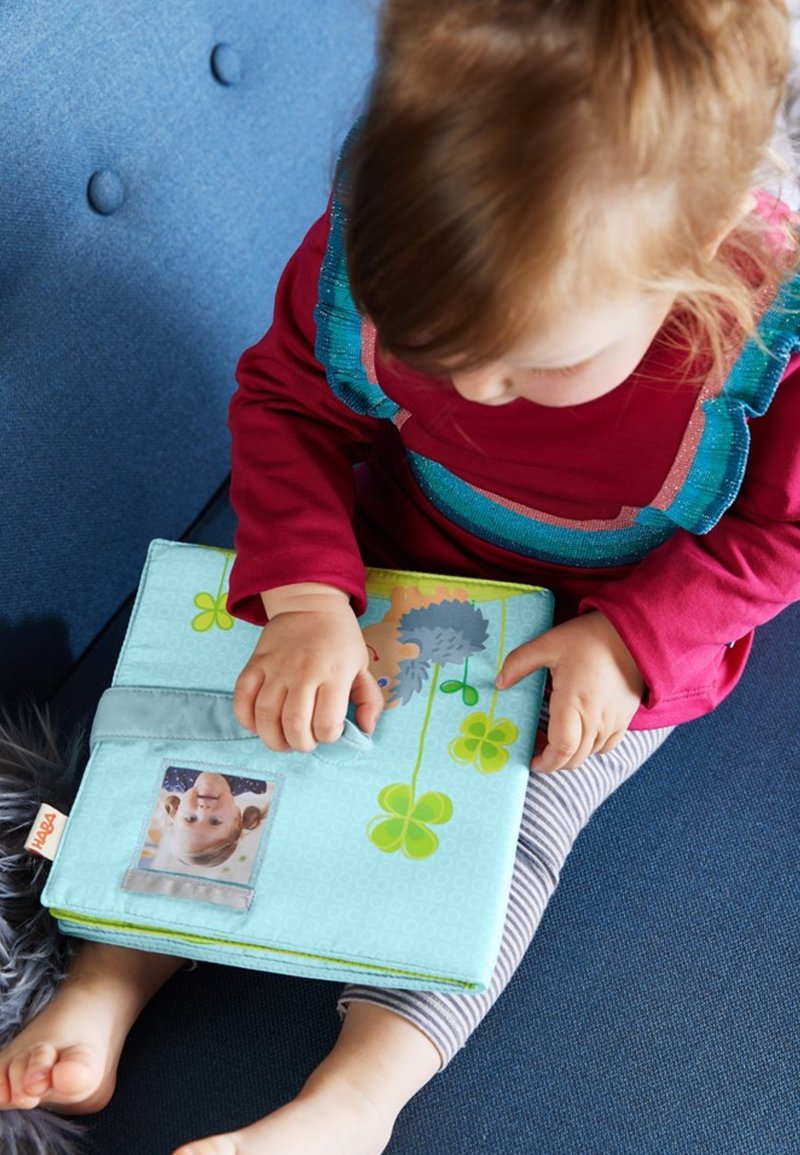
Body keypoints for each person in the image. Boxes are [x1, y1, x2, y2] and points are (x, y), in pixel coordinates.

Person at [1, 2, 799, 1153]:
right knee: (230, 740)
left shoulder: (761, 358)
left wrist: (628, 643)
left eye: (532, 366)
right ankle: (112, 987)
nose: (472, 395)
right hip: (372, 558)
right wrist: (311, 595)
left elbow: (769, 542)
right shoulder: (376, 250)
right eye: (435, 350)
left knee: (504, 832)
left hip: (593, 627)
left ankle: (351, 1102)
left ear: (692, 260)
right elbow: (287, 408)